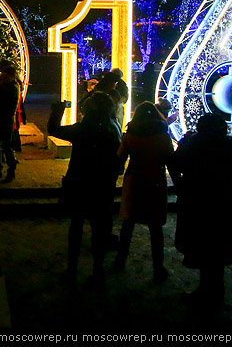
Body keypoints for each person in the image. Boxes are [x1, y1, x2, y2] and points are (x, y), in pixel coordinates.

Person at [168, 113, 232, 308]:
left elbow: (175, 163)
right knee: (218, 246)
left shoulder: (194, 144)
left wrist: (181, 185)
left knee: (202, 245)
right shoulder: (229, 144)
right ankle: (215, 290)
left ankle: (207, 291)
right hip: (223, 201)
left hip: (198, 199)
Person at [49, 92, 122, 286]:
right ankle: (98, 272)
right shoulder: (113, 127)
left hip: (80, 184)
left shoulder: (84, 129)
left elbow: (53, 129)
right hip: (103, 186)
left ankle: (72, 269)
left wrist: (58, 110)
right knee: (99, 230)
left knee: (76, 226)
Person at [114, 101, 174, 284]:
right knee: (156, 228)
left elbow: (120, 159)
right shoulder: (163, 136)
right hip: (155, 181)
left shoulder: (131, 135)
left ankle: (120, 261)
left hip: (135, 180)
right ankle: (158, 268)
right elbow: (171, 160)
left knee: (128, 223)